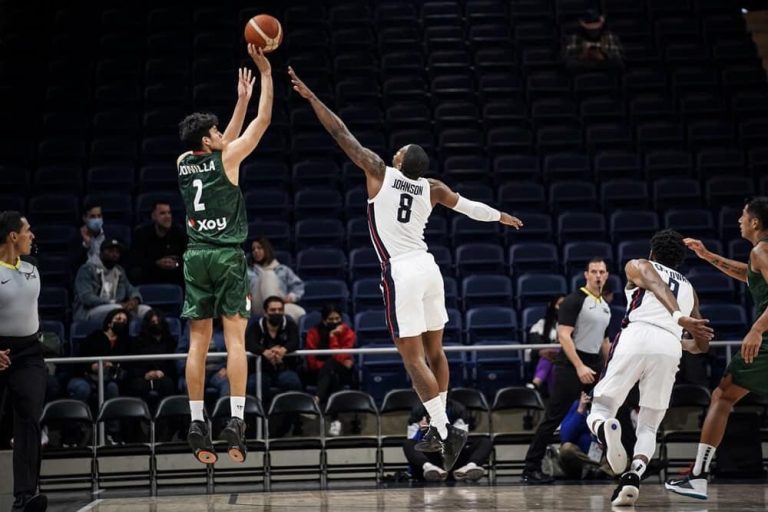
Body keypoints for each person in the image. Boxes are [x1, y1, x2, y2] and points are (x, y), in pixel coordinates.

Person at [289, 66, 523, 471]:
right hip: (430, 268)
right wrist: (502, 216)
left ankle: (444, 429)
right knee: (436, 352)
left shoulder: (380, 172)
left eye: (399, 150)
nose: (395, 151)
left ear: (401, 160)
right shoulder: (432, 187)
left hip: (401, 271)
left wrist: (312, 98)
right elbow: (470, 208)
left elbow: (341, 134)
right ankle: (442, 423)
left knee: (411, 357)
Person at [178, 46, 273, 466]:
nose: (223, 136)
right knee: (234, 339)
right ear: (208, 140)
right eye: (216, 132)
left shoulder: (183, 161)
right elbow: (259, 126)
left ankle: (197, 421)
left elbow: (225, 142)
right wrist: (265, 77)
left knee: (198, 343)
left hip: (195, 256)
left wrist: (239, 101)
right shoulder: (229, 158)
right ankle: (235, 420)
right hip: (226, 257)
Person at [588, 229, 714, 506]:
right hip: (670, 346)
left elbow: (656, 284)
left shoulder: (639, 264)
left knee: (600, 407)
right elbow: (701, 344)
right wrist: (689, 338)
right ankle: (632, 477)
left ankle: (605, 431)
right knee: (649, 425)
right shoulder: (689, 289)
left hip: (638, 335)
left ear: (653, 251)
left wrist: (678, 317)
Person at [667, 198, 768, 500]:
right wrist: (708, 255)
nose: (739, 219)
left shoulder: (762, 250)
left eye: (743, 215)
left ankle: (697, 477)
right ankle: (698, 475)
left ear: (755, 222)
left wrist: (757, 329)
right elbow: (749, 275)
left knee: (722, 395)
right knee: (723, 395)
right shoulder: (759, 255)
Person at [522, 258, 612, 484]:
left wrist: (612, 367)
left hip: (595, 364)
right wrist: (579, 366)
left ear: (607, 275)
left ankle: (619, 464)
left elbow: (604, 341)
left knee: (612, 410)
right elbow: (563, 335)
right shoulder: (574, 300)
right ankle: (530, 468)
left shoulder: (604, 306)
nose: (598, 275)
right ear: (586, 275)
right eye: (594, 272)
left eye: (602, 272)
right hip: (571, 366)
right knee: (553, 417)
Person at [0, 212, 48, 512]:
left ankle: (25, 496)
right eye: (27, 231)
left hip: (29, 353)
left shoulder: (32, 267)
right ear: (12, 236)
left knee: (29, 417)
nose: (33, 235)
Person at [403, 399, 491, 482]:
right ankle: (429, 468)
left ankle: (469, 468)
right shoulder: (418, 410)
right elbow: (412, 442)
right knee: (408, 444)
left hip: (453, 459)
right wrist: (422, 431)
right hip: (430, 458)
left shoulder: (457, 409)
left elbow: (459, 443)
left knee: (485, 441)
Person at [305, 304, 357, 435]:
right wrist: (326, 366)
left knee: (331, 366)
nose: (334, 322)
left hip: (343, 372)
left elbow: (340, 356)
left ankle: (317, 400)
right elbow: (311, 360)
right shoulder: (313, 332)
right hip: (317, 372)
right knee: (331, 374)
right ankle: (335, 421)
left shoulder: (348, 333)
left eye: (337, 318)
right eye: (331, 319)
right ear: (324, 320)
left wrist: (333, 337)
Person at [72, 239, 151, 322]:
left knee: (146, 310)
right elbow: (87, 298)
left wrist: (134, 300)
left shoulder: (119, 270)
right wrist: (113, 303)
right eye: (110, 251)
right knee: (118, 310)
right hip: (89, 311)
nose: (114, 254)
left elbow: (131, 289)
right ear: (101, 252)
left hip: (116, 307)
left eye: (117, 252)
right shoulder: (87, 269)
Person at [67, 308, 131, 407]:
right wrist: (91, 367)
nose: (121, 322)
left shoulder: (126, 343)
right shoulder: (94, 338)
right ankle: (79, 421)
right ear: (109, 323)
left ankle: (112, 422)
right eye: (118, 319)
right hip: (85, 377)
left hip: (110, 379)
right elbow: (78, 362)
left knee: (112, 388)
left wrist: (113, 367)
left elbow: (127, 366)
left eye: (124, 321)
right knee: (83, 388)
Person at [244, 296, 302, 403]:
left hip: (285, 369)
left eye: (280, 310)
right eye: (273, 310)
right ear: (265, 312)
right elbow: (250, 344)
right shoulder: (255, 326)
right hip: (261, 370)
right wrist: (265, 352)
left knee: (293, 382)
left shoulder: (290, 325)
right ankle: (256, 418)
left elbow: (295, 342)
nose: (277, 312)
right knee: (253, 384)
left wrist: (284, 350)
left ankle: (292, 419)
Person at [129, 200, 188, 287]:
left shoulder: (179, 232)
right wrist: (156, 263)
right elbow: (136, 259)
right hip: (151, 272)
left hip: (175, 273)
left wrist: (176, 264)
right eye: (162, 213)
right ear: (153, 216)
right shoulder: (142, 233)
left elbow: (187, 257)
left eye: (169, 213)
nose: (167, 216)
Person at [247, 238, 306, 321]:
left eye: (259, 248)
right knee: (268, 274)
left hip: (280, 304)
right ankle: (272, 309)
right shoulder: (248, 272)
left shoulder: (283, 269)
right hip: (258, 307)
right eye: (253, 249)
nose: (255, 251)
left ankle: (274, 316)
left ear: (267, 249)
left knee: (300, 312)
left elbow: (298, 286)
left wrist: (291, 296)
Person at [127, 309, 177, 405]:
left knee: (168, 384)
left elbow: (173, 365)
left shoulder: (170, 342)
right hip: (143, 376)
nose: (156, 324)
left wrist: (162, 372)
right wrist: (146, 374)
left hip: (163, 375)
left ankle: (165, 418)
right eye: (153, 322)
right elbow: (132, 365)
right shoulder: (138, 342)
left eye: (158, 321)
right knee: (137, 386)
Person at [527, 295, 565, 393]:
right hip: (550, 357)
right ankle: (554, 397)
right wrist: (542, 351)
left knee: (551, 356)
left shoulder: (574, 324)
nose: (563, 308)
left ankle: (536, 383)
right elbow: (535, 342)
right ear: (552, 306)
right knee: (550, 361)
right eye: (560, 305)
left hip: (567, 357)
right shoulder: (542, 324)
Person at [80, 200, 106, 266]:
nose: (97, 220)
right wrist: (86, 243)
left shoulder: (110, 235)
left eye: (99, 216)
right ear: (84, 218)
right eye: (93, 216)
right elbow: (75, 264)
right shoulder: (76, 239)